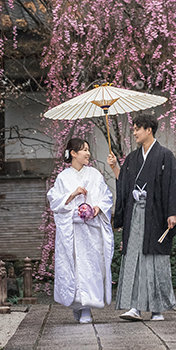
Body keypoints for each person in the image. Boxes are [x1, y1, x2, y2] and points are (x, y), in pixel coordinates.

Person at [107, 111, 176, 321]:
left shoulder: (164, 155)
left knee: (155, 259)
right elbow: (125, 183)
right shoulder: (133, 158)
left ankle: (156, 309)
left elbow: (173, 184)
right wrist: (114, 167)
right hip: (136, 214)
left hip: (156, 215)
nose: (134, 132)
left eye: (137, 128)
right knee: (134, 256)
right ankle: (134, 307)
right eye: (134, 128)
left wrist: (172, 213)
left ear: (149, 130)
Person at [47, 137, 114, 323]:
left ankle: (87, 308)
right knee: (73, 266)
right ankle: (77, 304)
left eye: (88, 149)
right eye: (84, 150)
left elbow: (106, 196)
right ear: (73, 153)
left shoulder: (94, 174)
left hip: (90, 231)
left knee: (90, 267)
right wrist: (72, 194)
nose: (88, 153)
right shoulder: (63, 177)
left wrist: (96, 209)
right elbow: (54, 201)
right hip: (72, 231)